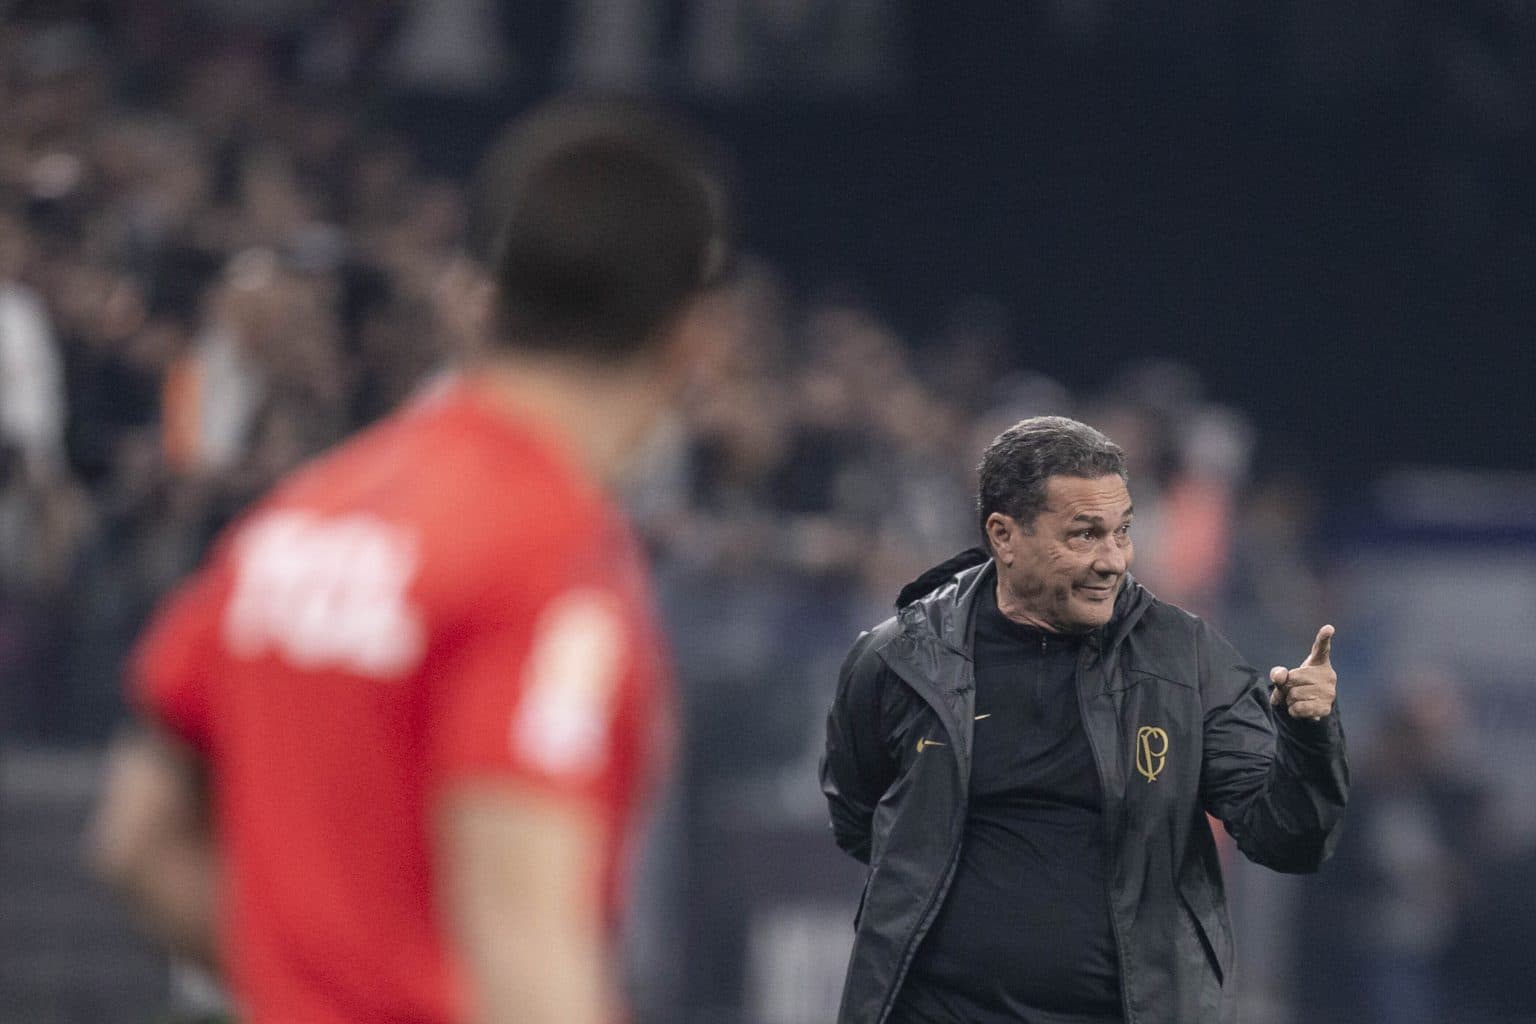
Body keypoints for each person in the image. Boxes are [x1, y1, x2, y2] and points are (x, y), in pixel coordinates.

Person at [88, 97, 730, 1024]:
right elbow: (523, 949)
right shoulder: (547, 561)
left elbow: (137, 839)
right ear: (691, 334)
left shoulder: (302, 517)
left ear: (488, 296)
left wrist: (318, 982)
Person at [820, 416, 1348, 1024]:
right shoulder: (900, 659)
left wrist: (1308, 736)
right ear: (1004, 535)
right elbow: (859, 818)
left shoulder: (1189, 661)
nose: (1113, 560)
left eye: (1122, 532)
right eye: (1085, 535)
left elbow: (1289, 838)